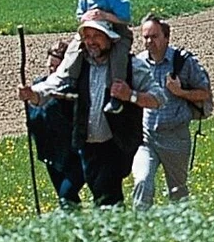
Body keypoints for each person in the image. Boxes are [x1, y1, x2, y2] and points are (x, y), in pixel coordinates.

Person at [21, 20, 165, 208]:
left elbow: (159, 98)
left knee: (107, 193)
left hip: (116, 144)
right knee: (101, 195)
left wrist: (130, 95)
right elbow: (53, 84)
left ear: (110, 38)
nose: (91, 41)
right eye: (87, 37)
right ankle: (115, 231)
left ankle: (111, 232)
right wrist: (32, 94)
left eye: (97, 36)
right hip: (87, 145)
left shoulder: (131, 66)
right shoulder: (77, 66)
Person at [130, 15, 212, 208]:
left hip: (176, 135)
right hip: (146, 136)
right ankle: (140, 231)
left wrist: (180, 92)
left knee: (178, 192)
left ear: (167, 37)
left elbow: (205, 93)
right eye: (146, 37)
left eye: (154, 36)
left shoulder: (183, 62)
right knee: (142, 181)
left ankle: (179, 232)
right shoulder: (138, 63)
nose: (150, 41)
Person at [58, 0, 135, 115]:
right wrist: (86, 17)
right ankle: (68, 81)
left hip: (118, 31)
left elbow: (125, 19)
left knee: (118, 57)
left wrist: (106, 15)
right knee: (74, 49)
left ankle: (116, 93)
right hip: (92, 31)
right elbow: (80, 17)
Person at [24, 39, 86, 208]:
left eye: (56, 67)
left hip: (75, 157)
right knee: (65, 200)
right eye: (50, 66)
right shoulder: (39, 86)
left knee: (67, 196)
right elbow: (34, 117)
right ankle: (78, 230)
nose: (52, 70)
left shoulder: (74, 91)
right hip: (51, 155)